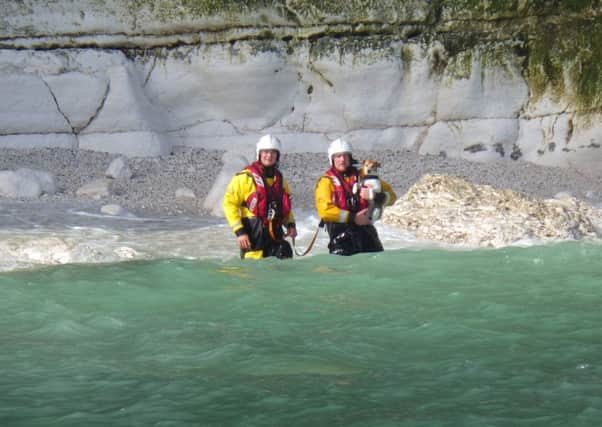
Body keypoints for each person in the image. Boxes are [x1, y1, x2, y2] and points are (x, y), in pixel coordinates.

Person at [314, 138, 397, 256]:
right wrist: (354, 218)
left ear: (350, 158)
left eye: (345, 156)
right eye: (338, 156)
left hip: (366, 233)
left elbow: (392, 197)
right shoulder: (325, 182)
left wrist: (375, 196)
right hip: (341, 237)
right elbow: (325, 211)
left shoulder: (365, 177)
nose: (342, 159)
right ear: (332, 159)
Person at [223, 134, 297, 259]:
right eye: (266, 152)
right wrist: (240, 232)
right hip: (253, 235)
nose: (269, 155)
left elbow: (285, 207)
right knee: (255, 272)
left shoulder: (280, 180)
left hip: (275, 234)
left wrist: (290, 225)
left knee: (285, 253)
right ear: (259, 154)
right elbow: (229, 204)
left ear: (277, 156)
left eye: (273, 152)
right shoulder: (244, 177)